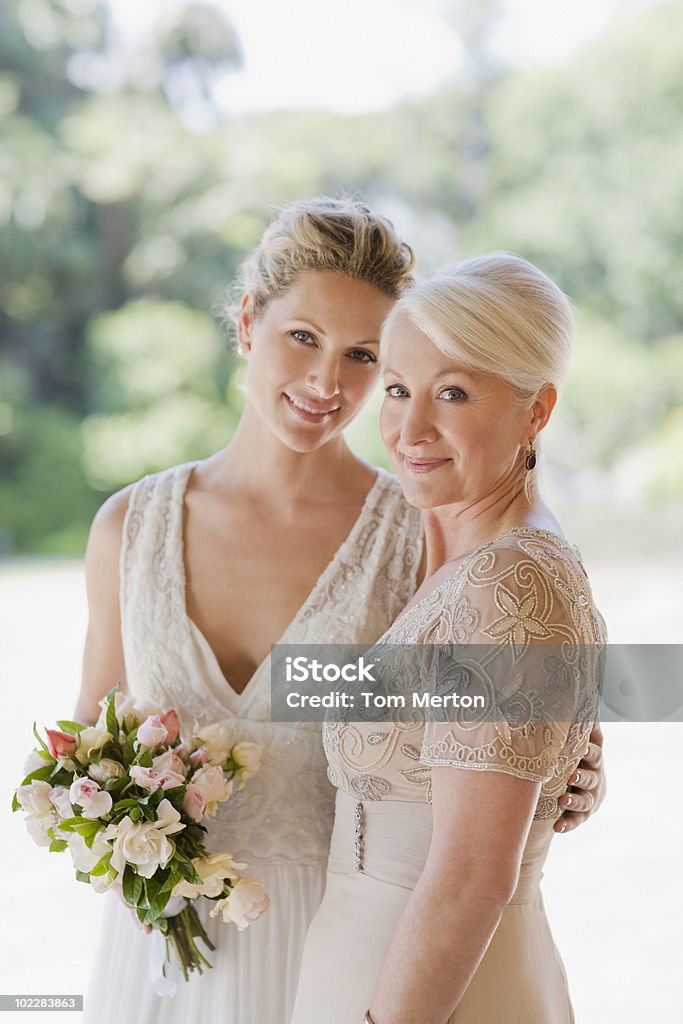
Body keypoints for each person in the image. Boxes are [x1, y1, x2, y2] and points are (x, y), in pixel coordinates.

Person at [74, 202, 603, 1024]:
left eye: (362, 356)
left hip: (346, 935)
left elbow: (499, 682)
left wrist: (578, 750)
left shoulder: (423, 523)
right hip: (170, 943)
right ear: (248, 322)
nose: (326, 383)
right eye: (302, 339)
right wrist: (108, 815)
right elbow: (92, 730)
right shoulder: (128, 527)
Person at [292, 253, 607, 1024]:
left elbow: (471, 874)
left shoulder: (509, 581)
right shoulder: (468, 555)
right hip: (374, 959)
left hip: (428, 994)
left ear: (535, 411)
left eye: (453, 393)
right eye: (398, 390)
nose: (409, 428)